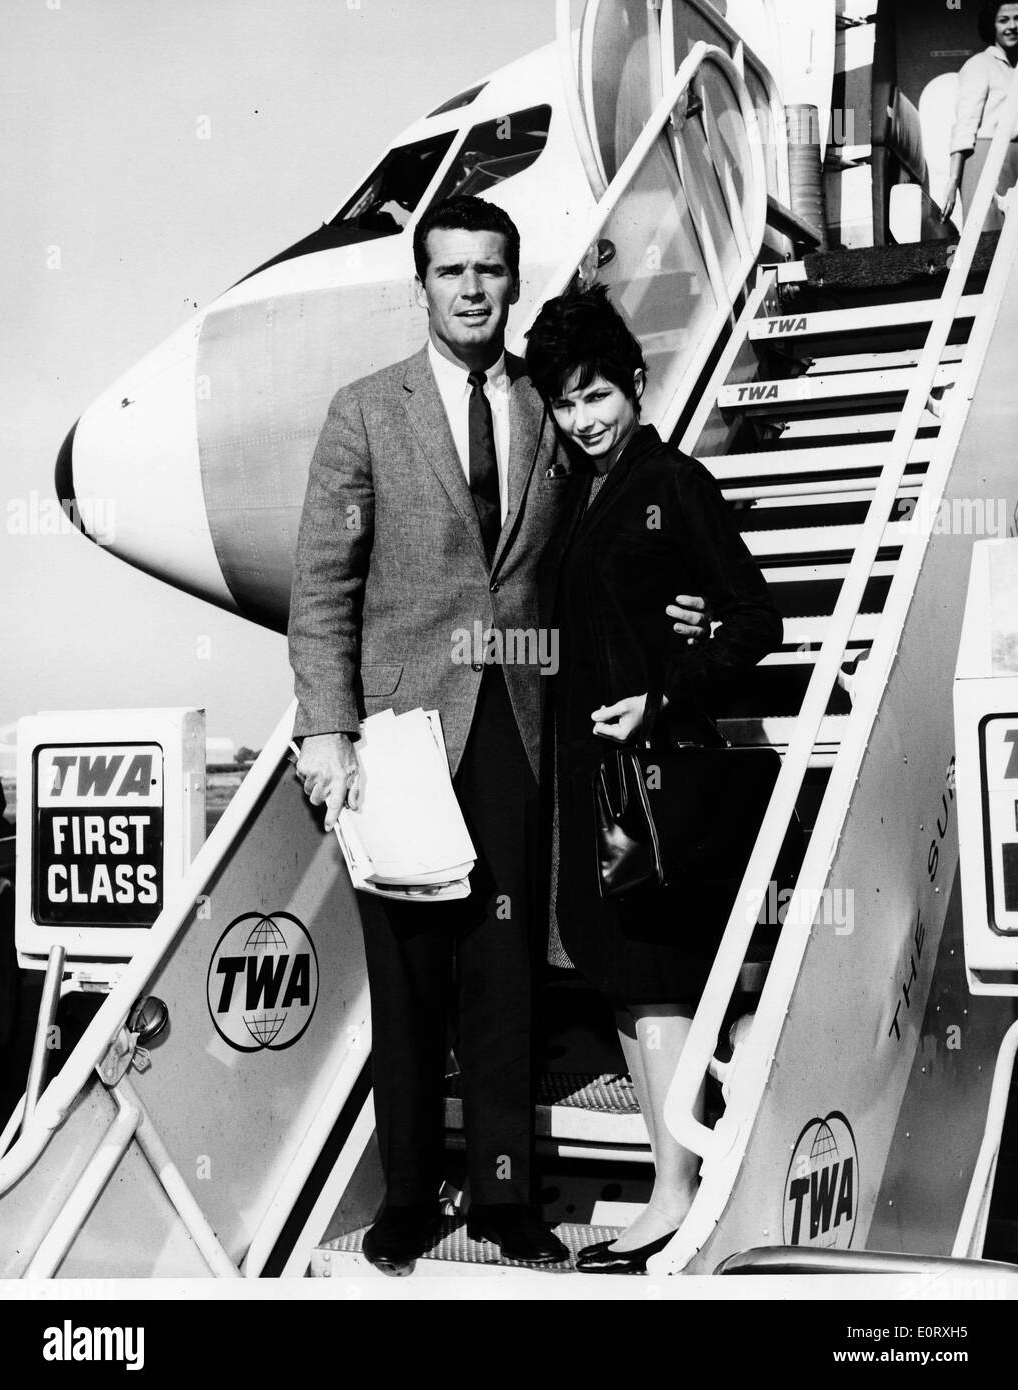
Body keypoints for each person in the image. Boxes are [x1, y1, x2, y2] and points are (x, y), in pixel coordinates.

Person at [288, 194, 711, 1274]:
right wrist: (328, 732)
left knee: (504, 973)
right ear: (420, 284)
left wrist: (681, 603)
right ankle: (403, 1200)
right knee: (408, 979)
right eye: (450, 271)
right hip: (401, 738)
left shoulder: (545, 405)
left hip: (517, 729)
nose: (472, 288)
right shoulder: (364, 412)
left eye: (489, 270)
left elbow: (616, 522)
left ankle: (505, 1201)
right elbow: (323, 589)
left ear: (513, 282)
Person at [525, 287, 783, 1274]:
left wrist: (663, 695)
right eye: (564, 403)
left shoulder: (667, 480)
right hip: (601, 778)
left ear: (634, 383)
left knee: (652, 984)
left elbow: (755, 618)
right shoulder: (593, 487)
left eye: (596, 394)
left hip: (652, 774)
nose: (584, 418)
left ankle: (676, 1192)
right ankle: (669, 1180)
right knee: (628, 988)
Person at [942, 1, 1018, 231]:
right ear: (991, 26)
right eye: (1003, 20)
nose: (1012, 26)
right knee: (986, 238)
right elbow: (965, 125)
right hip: (985, 159)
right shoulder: (979, 65)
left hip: (1013, 162)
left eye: (1017, 18)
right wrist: (953, 181)